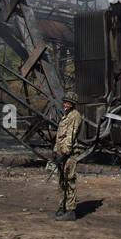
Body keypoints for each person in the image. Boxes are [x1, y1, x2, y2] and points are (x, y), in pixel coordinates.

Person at [52, 93, 82, 221]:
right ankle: (61, 207)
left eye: (68, 103)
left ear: (73, 104)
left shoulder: (75, 116)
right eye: (65, 102)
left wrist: (64, 153)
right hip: (61, 153)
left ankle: (70, 211)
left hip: (68, 155)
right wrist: (55, 151)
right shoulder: (65, 116)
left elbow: (71, 136)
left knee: (69, 181)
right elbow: (60, 136)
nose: (65, 104)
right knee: (61, 182)